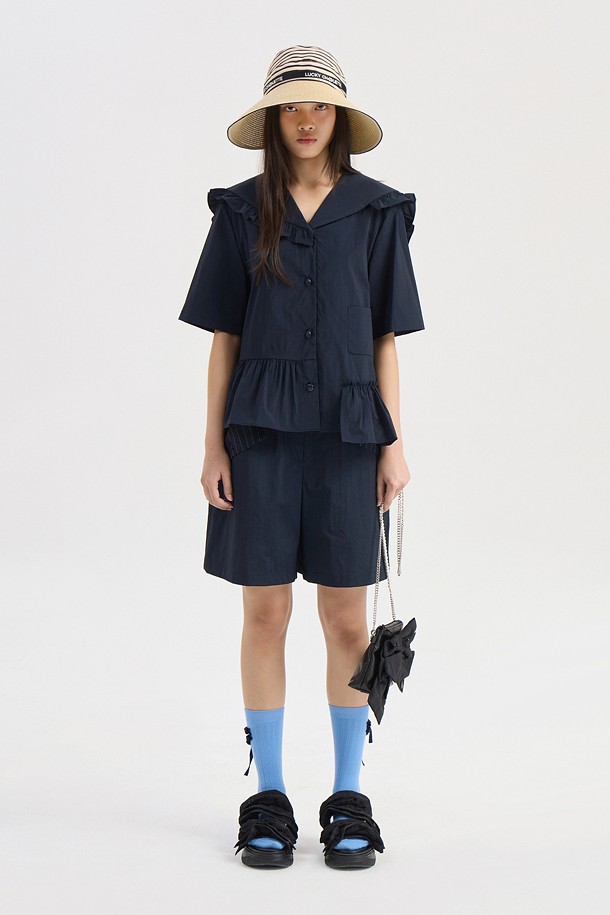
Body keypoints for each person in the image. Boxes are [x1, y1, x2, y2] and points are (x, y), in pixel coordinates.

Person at [178, 45, 425, 869]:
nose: (307, 119)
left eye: (320, 105)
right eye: (292, 106)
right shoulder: (242, 212)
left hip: (351, 437)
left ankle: (349, 794)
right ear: (274, 120)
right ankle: (270, 796)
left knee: (347, 618)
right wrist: (212, 442)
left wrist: (394, 441)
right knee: (266, 614)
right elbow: (224, 337)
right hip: (259, 436)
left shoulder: (377, 212)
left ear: (339, 118)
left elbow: (386, 337)